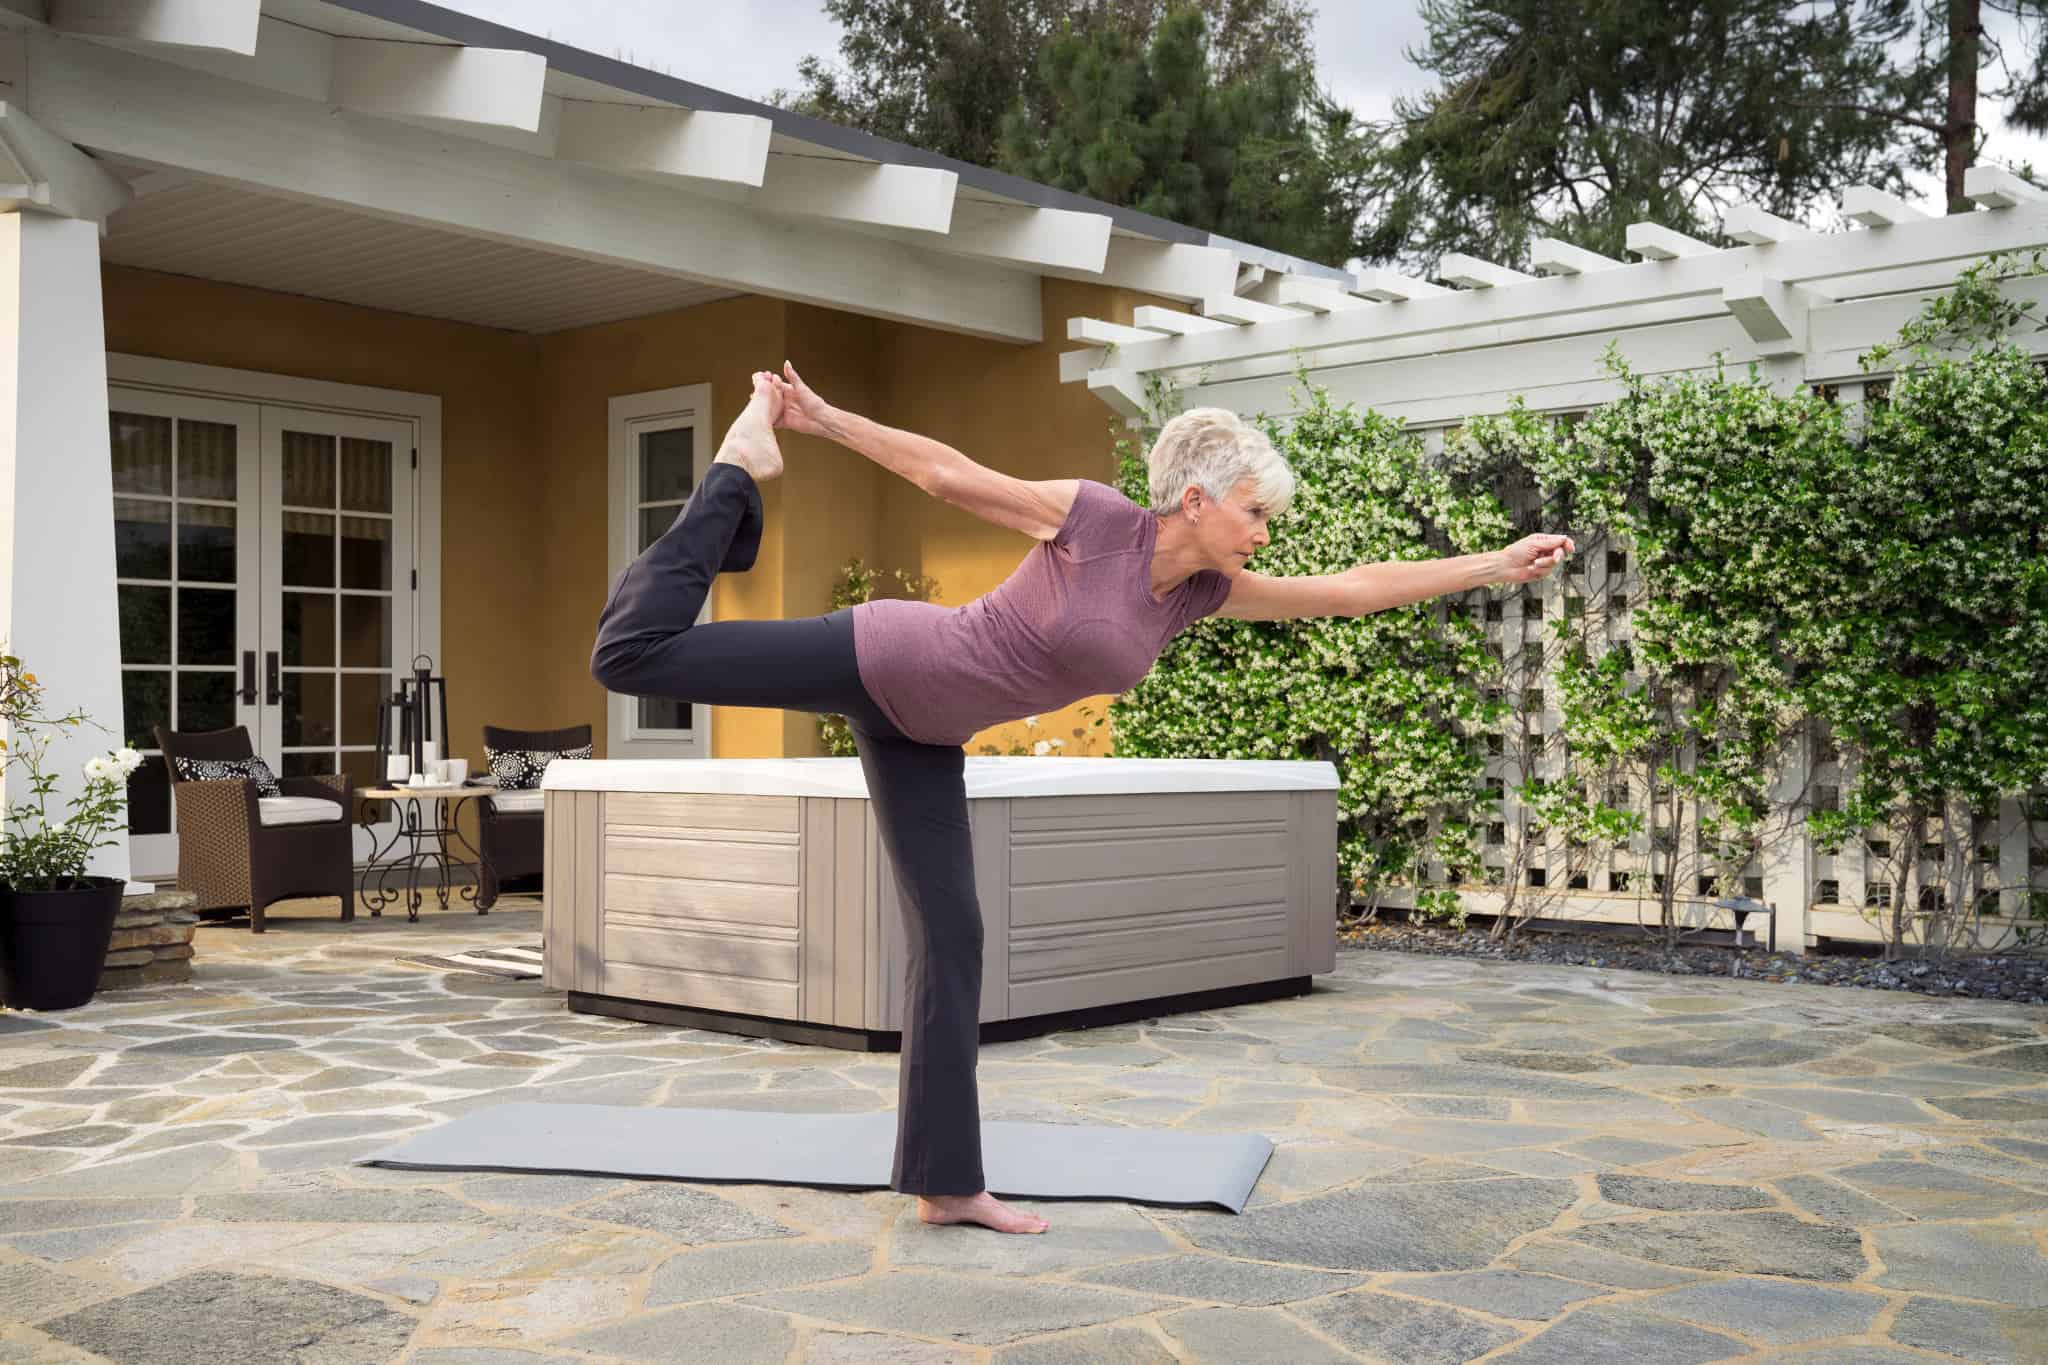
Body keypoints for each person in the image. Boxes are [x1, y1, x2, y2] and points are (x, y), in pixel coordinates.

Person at [591, 364, 1574, 1236]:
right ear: (1194, 499)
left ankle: (946, 1183)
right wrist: (815, 416)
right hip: (881, 654)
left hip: (923, 735)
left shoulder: (1199, 594)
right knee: (631, 655)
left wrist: (1492, 565)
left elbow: (1352, 588)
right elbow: (945, 473)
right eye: (1253, 512)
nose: (1263, 532)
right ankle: (732, 472)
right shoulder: (1095, 520)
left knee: (954, 939)